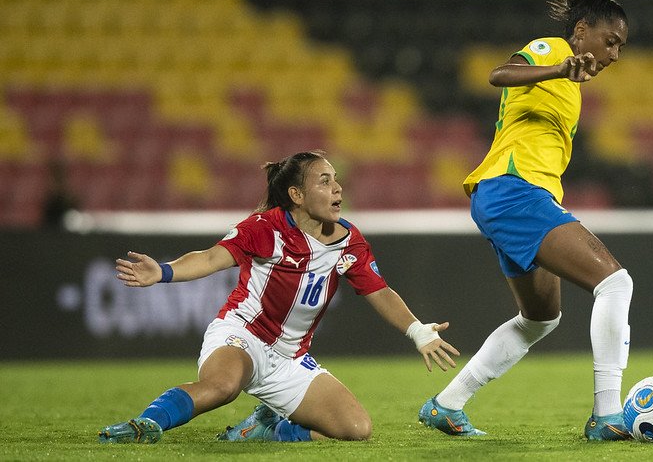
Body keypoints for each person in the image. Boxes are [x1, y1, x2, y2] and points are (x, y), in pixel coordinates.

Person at [99, 150, 459, 444]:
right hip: (243, 336)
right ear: (297, 196)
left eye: (335, 179)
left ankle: (272, 428)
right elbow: (210, 258)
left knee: (356, 429)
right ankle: (145, 425)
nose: (337, 188)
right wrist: (162, 271)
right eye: (325, 180)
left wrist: (418, 331)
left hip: (291, 357)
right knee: (222, 387)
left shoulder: (350, 241)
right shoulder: (265, 228)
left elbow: (379, 291)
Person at [417, 0, 633, 441]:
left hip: (513, 196)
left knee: (540, 318)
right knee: (615, 282)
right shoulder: (554, 49)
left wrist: (565, 78)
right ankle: (608, 415)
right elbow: (499, 74)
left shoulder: (573, 86)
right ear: (581, 32)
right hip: (513, 189)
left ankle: (446, 404)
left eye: (620, 48)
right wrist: (558, 68)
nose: (614, 54)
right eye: (609, 41)